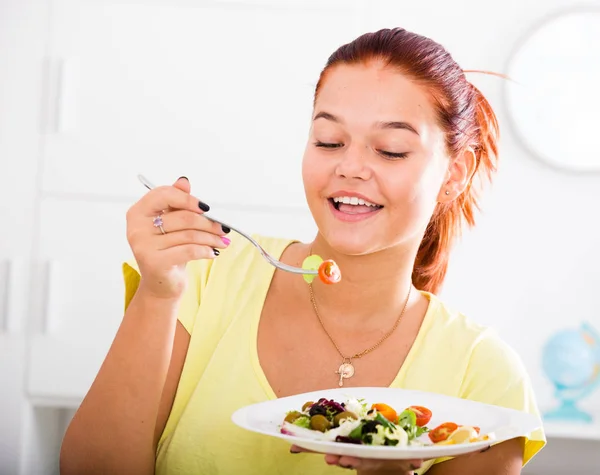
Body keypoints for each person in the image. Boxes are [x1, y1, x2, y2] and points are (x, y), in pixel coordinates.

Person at [60, 27, 546, 475]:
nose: (350, 167)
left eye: (391, 150)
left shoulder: (485, 377)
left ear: (455, 174)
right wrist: (159, 293)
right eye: (329, 140)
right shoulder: (204, 274)